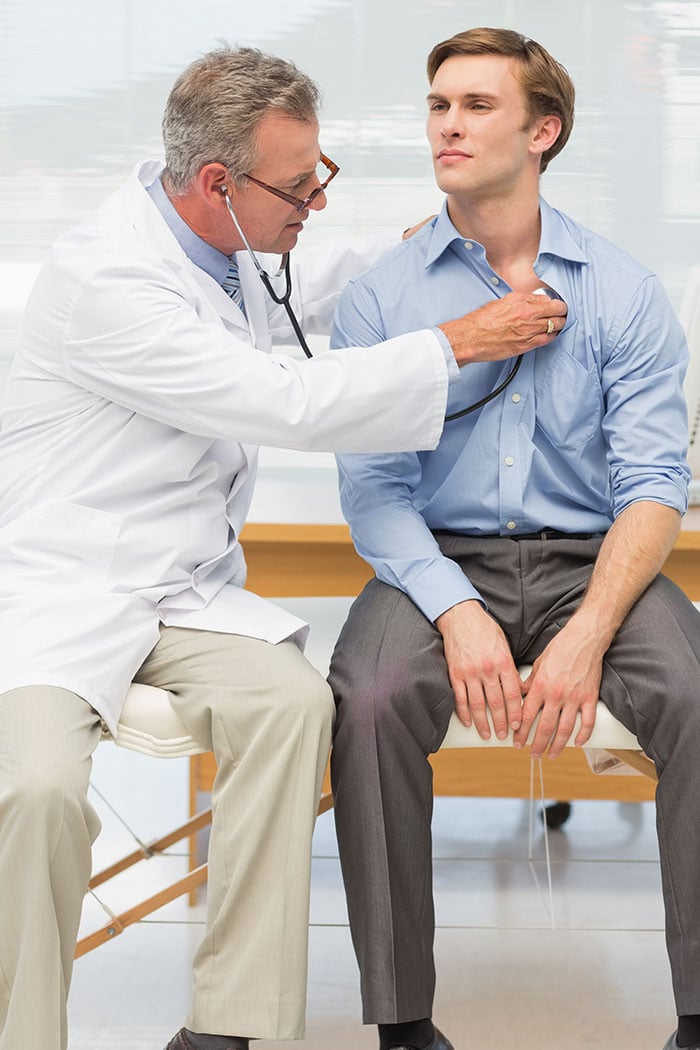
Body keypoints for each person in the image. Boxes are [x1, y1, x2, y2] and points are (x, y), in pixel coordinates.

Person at [0, 44, 569, 1050]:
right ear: (218, 183)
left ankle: (227, 1024)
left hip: (181, 591)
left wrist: (430, 244)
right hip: (66, 589)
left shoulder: (222, 248)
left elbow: (321, 298)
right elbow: (284, 399)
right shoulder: (110, 281)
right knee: (36, 789)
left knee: (295, 703)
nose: (313, 201)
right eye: (299, 186)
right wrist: (458, 340)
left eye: (319, 177)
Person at [327, 27, 700, 1050]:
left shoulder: (622, 291)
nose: (448, 123)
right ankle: (402, 1023)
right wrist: (452, 607)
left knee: (696, 690)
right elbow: (373, 487)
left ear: (544, 131)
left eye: (477, 105)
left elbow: (655, 485)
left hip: (597, 560)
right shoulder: (384, 296)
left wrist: (584, 634)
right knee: (368, 696)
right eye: (439, 103)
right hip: (434, 555)